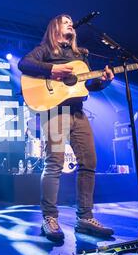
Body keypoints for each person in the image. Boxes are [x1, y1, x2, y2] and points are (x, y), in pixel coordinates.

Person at [18, 14, 114, 242]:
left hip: (78, 112)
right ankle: (49, 218)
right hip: (55, 111)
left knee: (89, 163)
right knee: (54, 164)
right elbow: (24, 64)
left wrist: (104, 81)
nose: (70, 23)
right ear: (55, 27)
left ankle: (85, 218)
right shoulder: (45, 49)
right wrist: (52, 71)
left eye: (71, 21)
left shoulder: (80, 55)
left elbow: (86, 85)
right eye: (65, 21)